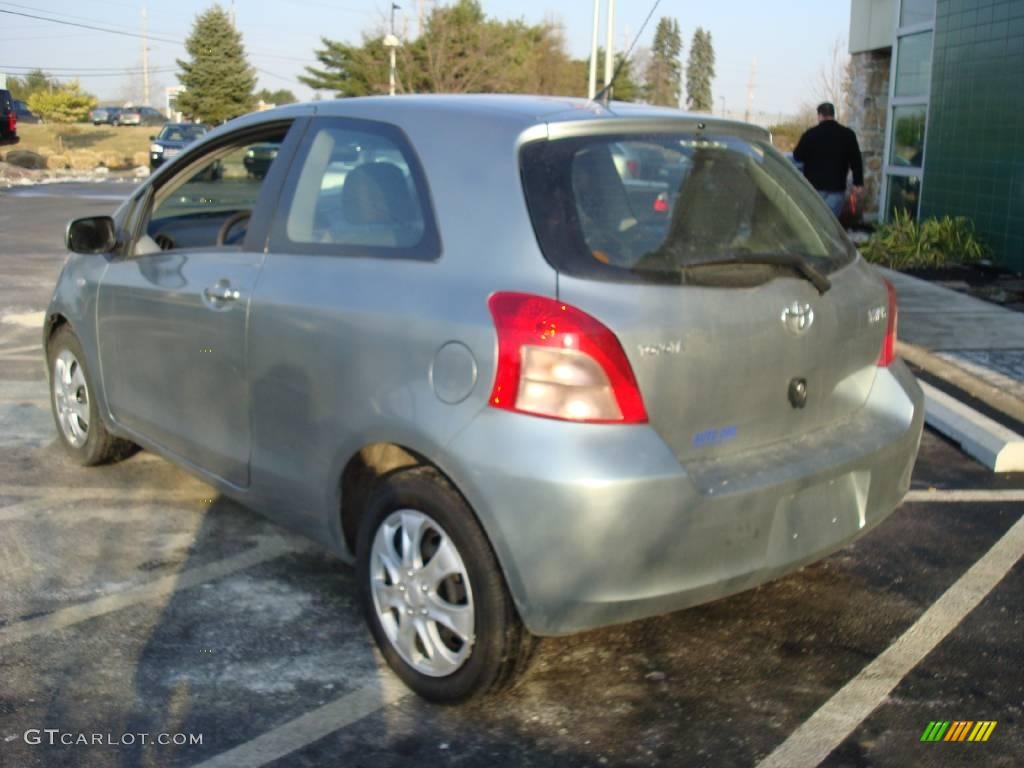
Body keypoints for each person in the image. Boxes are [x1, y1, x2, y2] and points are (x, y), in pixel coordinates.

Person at [793, 102, 864, 218]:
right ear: (833, 114)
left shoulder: (810, 134)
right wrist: (858, 183)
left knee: (814, 223)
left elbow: (797, 156)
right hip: (837, 187)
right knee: (830, 224)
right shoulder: (848, 135)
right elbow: (856, 161)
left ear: (820, 115)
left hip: (813, 189)